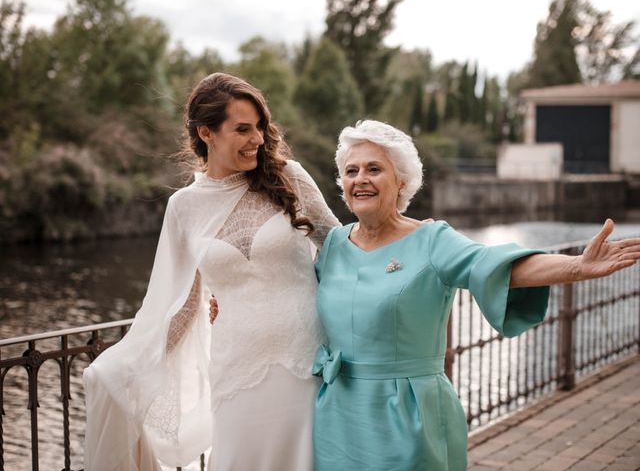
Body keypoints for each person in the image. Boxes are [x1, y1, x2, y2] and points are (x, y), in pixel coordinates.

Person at [310, 120, 640, 470]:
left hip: (408, 413)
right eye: (351, 171)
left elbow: (494, 265)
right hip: (338, 414)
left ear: (401, 180)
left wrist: (576, 267)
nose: (360, 178)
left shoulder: (433, 240)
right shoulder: (332, 245)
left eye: (374, 169)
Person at [82, 72, 339, 470]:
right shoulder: (184, 207)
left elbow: (338, 248)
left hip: (304, 359)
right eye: (242, 129)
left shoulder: (289, 177)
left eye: (259, 127)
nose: (257, 139)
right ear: (206, 132)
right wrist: (128, 366)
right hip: (235, 365)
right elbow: (180, 304)